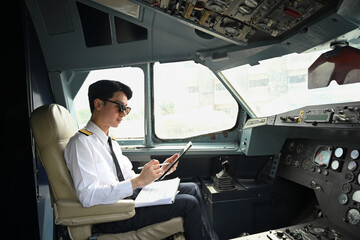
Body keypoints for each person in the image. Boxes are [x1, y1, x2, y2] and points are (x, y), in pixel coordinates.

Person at [64, 80, 219, 240]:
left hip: (128, 199)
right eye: (120, 107)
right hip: (112, 214)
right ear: (98, 104)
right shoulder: (81, 143)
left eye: (127, 109)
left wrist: (156, 173)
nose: (124, 113)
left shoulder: (109, 140)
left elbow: (127, 177)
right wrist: (137, 182)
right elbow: (87, 196)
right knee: (189, 203)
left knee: (193, 188)